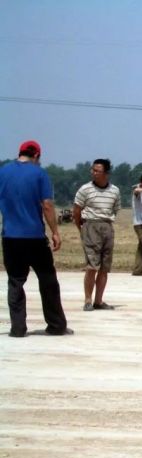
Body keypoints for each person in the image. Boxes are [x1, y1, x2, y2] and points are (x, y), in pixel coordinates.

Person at [0, 140, 71, 337]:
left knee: (15, 282)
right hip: (34, 237)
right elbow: (47, 205)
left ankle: (18, 328)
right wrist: (55, 231)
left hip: (10, 237)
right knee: (48, 279)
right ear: (37, 156)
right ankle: (56, 325)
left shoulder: (3, 172)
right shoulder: (39, 173)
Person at [73, 158, 121, 311]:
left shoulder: (115, 190)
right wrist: (81, 227)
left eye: (97, 171)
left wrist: (106, 222)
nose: (93, 173)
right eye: (92, 170)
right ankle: (88, 300)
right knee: (92, 266)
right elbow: (76, 210)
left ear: (106, 173)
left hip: (107, 226)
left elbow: (116, 209)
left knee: (104, 267)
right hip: (90, 225)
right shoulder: (85, 189)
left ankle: (98, 301)